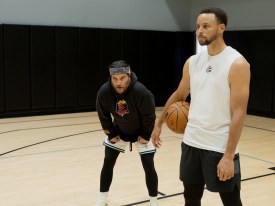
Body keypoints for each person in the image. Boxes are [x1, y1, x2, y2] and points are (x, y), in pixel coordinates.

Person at [151, 7, 250, 206]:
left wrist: (229, 156)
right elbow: (180, 94)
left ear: (221, 28)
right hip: (191, 142)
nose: (200, 31)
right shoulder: (192, 61)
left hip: (219, 147)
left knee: (231, 200)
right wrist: (159, 122)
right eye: (198, 27)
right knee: (190, 198)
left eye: (206, 26)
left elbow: (239, 113)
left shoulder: (237, 63)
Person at [95, 60, 158, 206]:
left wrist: (146, 135)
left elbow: (149, 116)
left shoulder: (141, 92)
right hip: (119, 131)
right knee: (108, 162)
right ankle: (102, 199)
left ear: (129, 75)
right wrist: (110, 133)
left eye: (122, 78)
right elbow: (102, 114)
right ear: (110, 78)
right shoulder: (104, 92)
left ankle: (154, 202)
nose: (118, 82)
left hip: (141, 133)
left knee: (148, 164)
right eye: (115, 79)